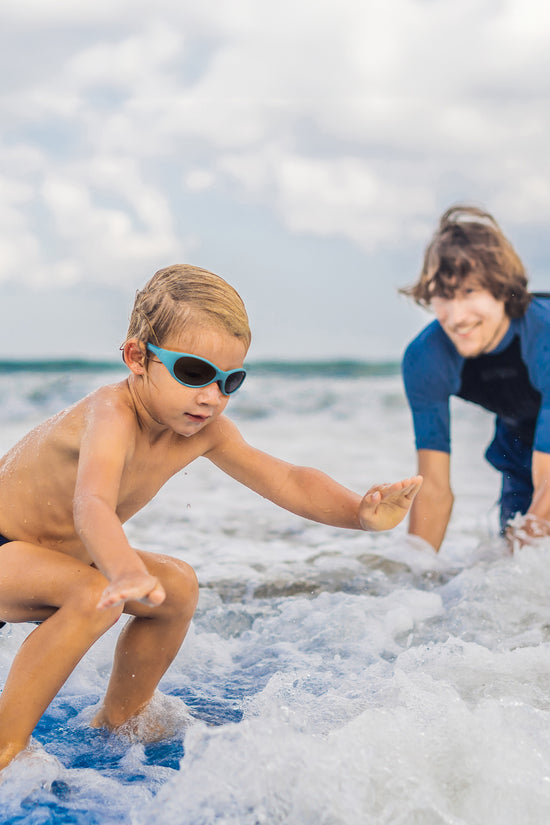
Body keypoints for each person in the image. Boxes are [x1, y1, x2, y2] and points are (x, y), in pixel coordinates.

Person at [0, 264, 422, 771]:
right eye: (193, 373)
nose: (212, 396)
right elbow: (89, 504)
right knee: (95, 596)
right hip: (8, 549)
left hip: (47, 559)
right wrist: (123, 569)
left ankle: (120, 720)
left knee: (177, 587)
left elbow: (287, 479)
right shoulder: (111, 413)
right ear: (138, 357)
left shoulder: (203, 430)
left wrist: (359, 512)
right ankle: (8, 746)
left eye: (230, 381)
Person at [401, 205, 550, 552]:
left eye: (469, 292)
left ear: (501, 288)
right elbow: (434, 490)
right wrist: (409, 589)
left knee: (531, 544)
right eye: (443, 295)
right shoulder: (426, 358)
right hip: (520, 448)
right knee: (512, 559)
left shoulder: (543, 337)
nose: (456, 317)